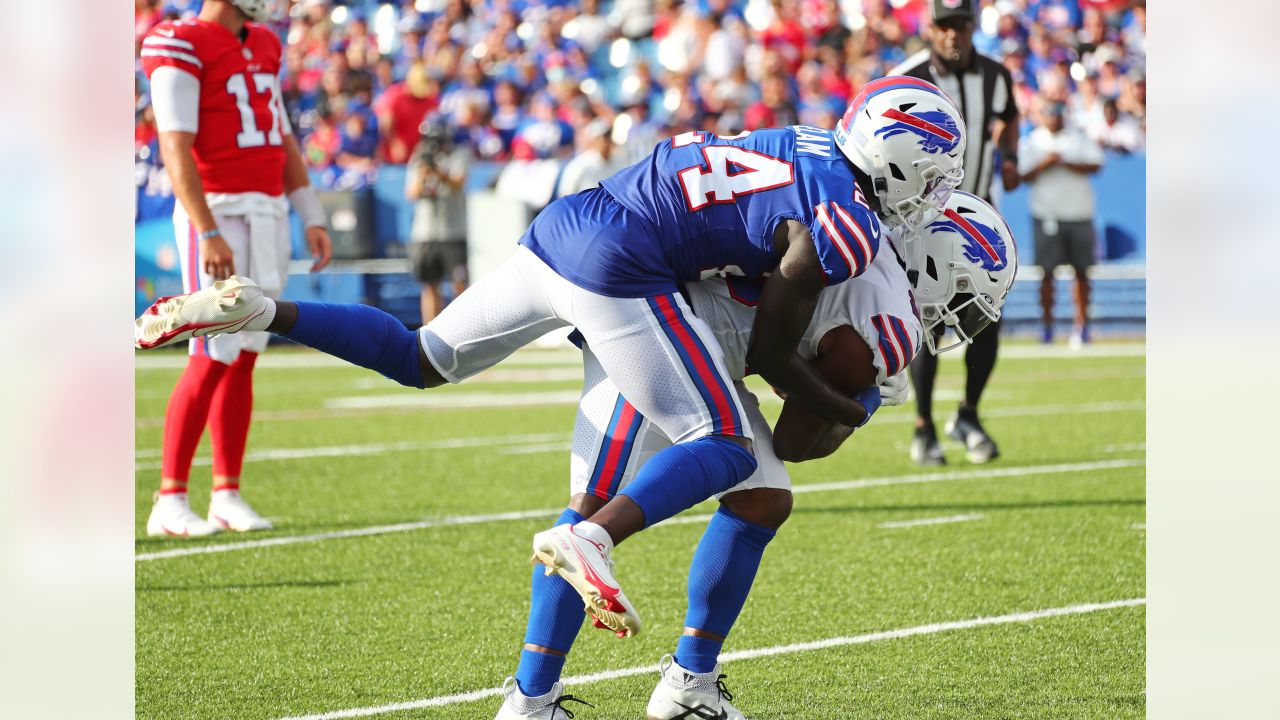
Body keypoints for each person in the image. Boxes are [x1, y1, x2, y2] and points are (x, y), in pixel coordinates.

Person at [137, 77, 964, 662]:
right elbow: (777, 356)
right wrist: (852, 408)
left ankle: (262, 310)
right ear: (901, 159)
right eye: (934, 169)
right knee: (728, 446)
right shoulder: (845, 219)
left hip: (569, 223)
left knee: (423, 355)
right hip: (628, 268)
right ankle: (593, 539)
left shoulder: (811, 141)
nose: (934, 190)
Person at [497, 190, 1018, 720]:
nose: (954, 316)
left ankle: (688, 684)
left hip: (706, 345)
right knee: (592, 508)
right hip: (658, 330)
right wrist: (863, 403)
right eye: (960, 297)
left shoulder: (864, 245)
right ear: (935, 263)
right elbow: (798, 442)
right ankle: (529, 702)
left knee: (762, 499)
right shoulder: (880, 320)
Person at [139, 0, 332, 538]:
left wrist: (310, 212)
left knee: (246, 352)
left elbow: (283, 134)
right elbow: (174, 146)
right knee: (209, 350)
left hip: (267, 208)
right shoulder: (180, 41)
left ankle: (226, 492)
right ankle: (170, 498)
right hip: (219, 206)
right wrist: (206, 229)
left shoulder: (265, 43)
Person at [889, 0, 1020, 466]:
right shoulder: (907, 77)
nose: (953, 36)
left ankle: (969, 414)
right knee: (930, 321)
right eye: (945, 27)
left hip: (980, 216)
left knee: (987, 316)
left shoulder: (995, 75)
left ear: (972, 28)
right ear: (929, 27)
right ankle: (924, 427)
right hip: (923, 222)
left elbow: (1009, 116)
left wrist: (1010, 158)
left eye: (961, 26)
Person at [1018, 98, 1103, 347]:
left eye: (1057, 113)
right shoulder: (1032, 141)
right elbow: (1023, 175)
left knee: (1082, 272)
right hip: (1047, 213)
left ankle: (1082, 325)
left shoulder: (1078, 138)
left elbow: (1097, 163)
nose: (1053, 117)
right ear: (1041, 114)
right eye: (1048, 112)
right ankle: (1047, 326)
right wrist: (1045, 162)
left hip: (1079, 213)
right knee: (1046, 274)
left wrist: (1064, 161)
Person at [406, 115, 471, 322]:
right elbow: (412, 193)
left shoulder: (459, 154)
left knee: (459, 284)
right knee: (429, 285)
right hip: (425, 233)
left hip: (452, 231)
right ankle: (430, 331)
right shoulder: (418, 158)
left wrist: (439, 172)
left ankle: (463, 327)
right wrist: (424, 173)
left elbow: (458, 184)